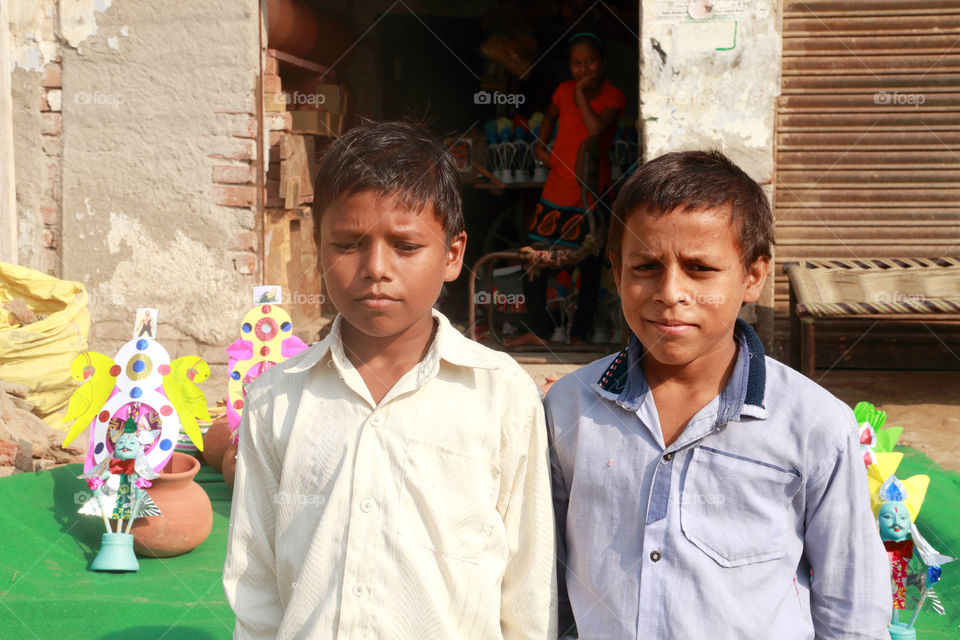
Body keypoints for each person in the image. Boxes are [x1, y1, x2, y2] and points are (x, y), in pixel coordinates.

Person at [222, 120, 557, 639]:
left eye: (404, 246)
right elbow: (255, 582)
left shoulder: (501, 394)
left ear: (452, 254)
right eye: (349, 243)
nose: (375, 267)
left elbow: (528, 590)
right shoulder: (276, 398)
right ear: (318, 248)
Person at [544, 150, 892, 638]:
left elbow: (851, 600)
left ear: (752, 276)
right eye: (645, 266)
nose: (670, 292)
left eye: (700, 268)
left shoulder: (813, 424)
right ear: (617, 273)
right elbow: (550, 578)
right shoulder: (567, 409)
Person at [506, 32, 626, 347]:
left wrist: (582, 96)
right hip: (556, 190)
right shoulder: (563, 90)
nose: (583, 69)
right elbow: (548, 121)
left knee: (586, 264)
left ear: (602, 62)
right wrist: (542, 151)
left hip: (590, 193)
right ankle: (540, 331)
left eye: (590, 62)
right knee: (533, 259)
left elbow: (597, 130)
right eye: (577, 63)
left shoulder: (614, 97)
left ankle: (579, 336)